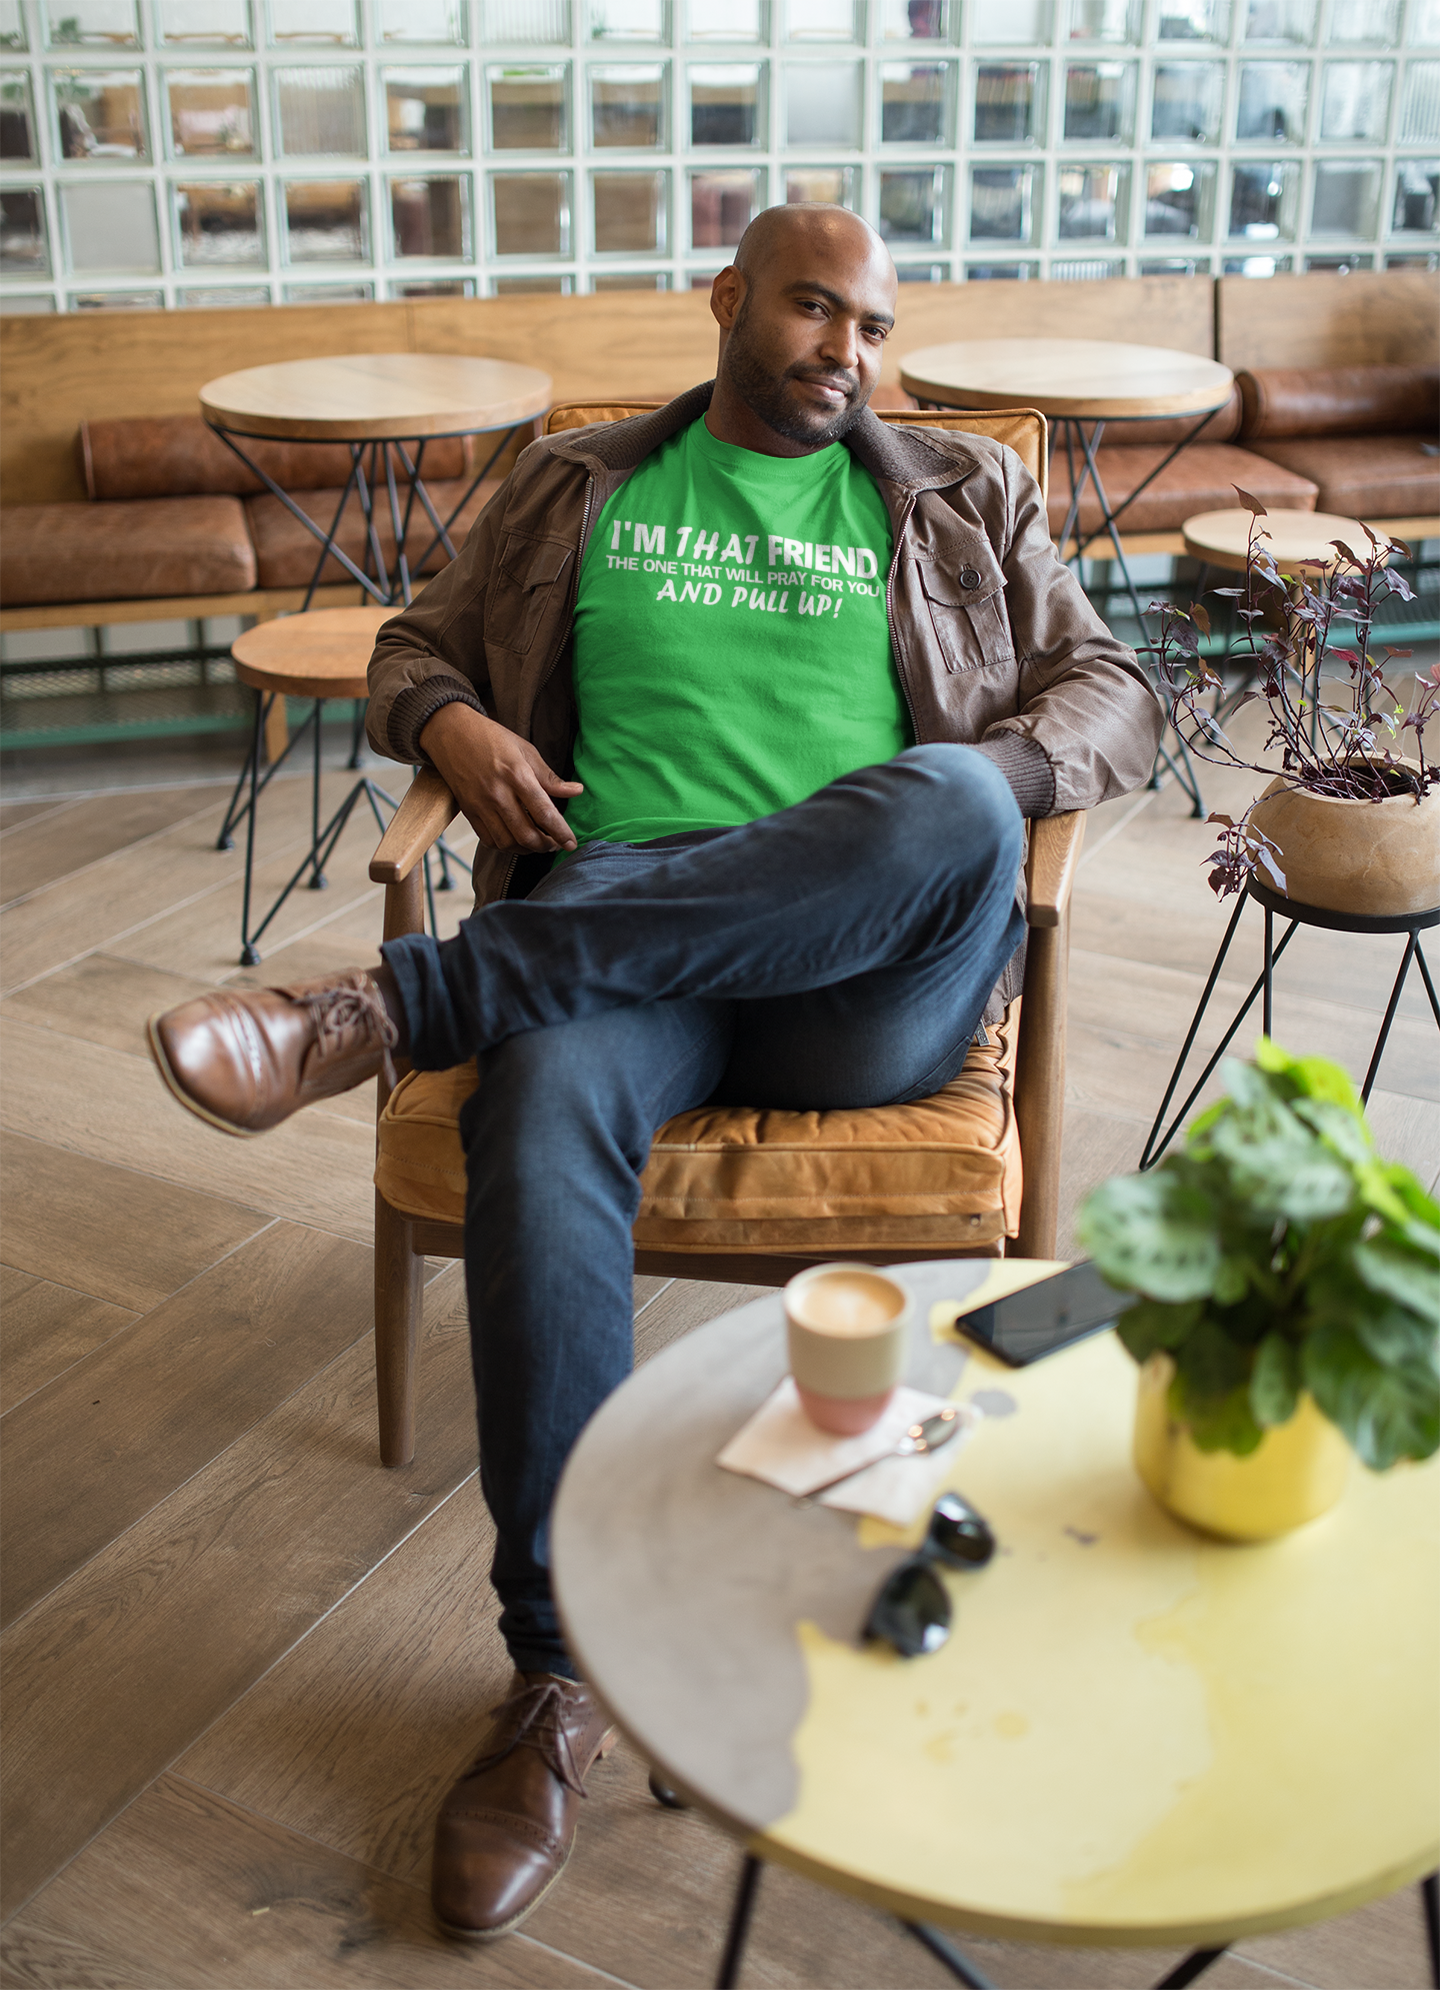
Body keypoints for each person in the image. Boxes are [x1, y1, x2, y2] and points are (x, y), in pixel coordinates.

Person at [147, 204, 1162, 1944]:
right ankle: (553, 1679)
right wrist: (454, 725)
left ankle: (400, 1008)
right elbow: (413, 649)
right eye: (814, 307)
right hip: (622, 920)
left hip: (863, 972)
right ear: (728, 302)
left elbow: (1121, 693)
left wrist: (992, 771)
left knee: (950, 798)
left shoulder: (957, 494)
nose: (849, 347)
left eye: (874, 323)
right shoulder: (573, 483)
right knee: (542, 1105)